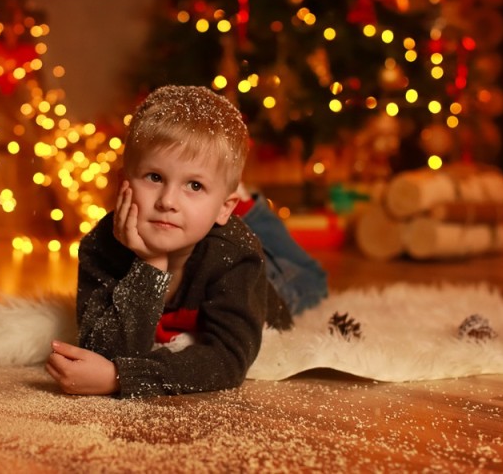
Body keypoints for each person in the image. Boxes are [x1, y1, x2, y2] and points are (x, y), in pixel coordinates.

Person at [45, 85, 325, 398]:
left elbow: (229, 360)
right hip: (209, 226)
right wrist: (150, 266)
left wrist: (122, 378)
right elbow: (102, 349)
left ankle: (252, 210)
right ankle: (222, 199)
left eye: (193, 185)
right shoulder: (102, 245)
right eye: (154, 177)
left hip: (269, 282)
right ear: (124, 183)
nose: (167, 201)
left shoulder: (235, 253)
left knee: (305, 281)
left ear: (224, 208)